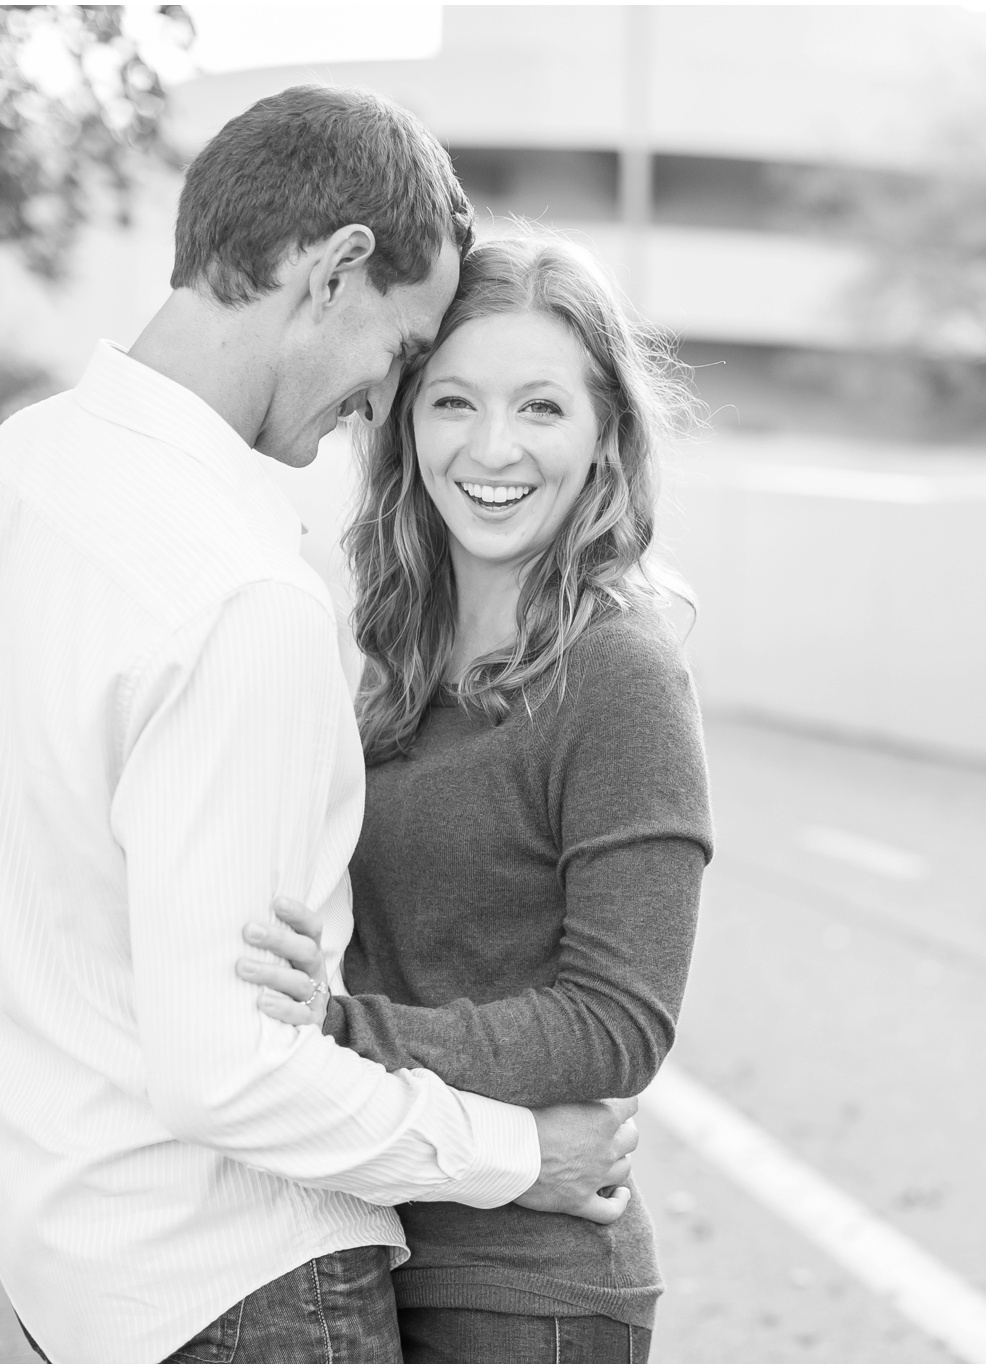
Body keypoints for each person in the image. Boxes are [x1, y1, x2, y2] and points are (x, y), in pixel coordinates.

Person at [0, 85, 639, 1364]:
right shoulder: (242, 595)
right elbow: (230, 1070)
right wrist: (516, 1151)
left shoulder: (19, 470)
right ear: (335, 271)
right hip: (239, 1280)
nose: (379, 400)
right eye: (404, 351)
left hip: (65, 1261)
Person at [231, 232, 712, 1364]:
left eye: (541, 408)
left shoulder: (618, 673)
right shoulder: (392, 649)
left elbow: (618, 1021)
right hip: (361, 1231)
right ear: (404, 421)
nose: (493, 448)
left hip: (527, 1285)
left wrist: (342, 1033)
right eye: (453, 401)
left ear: (604, 439)